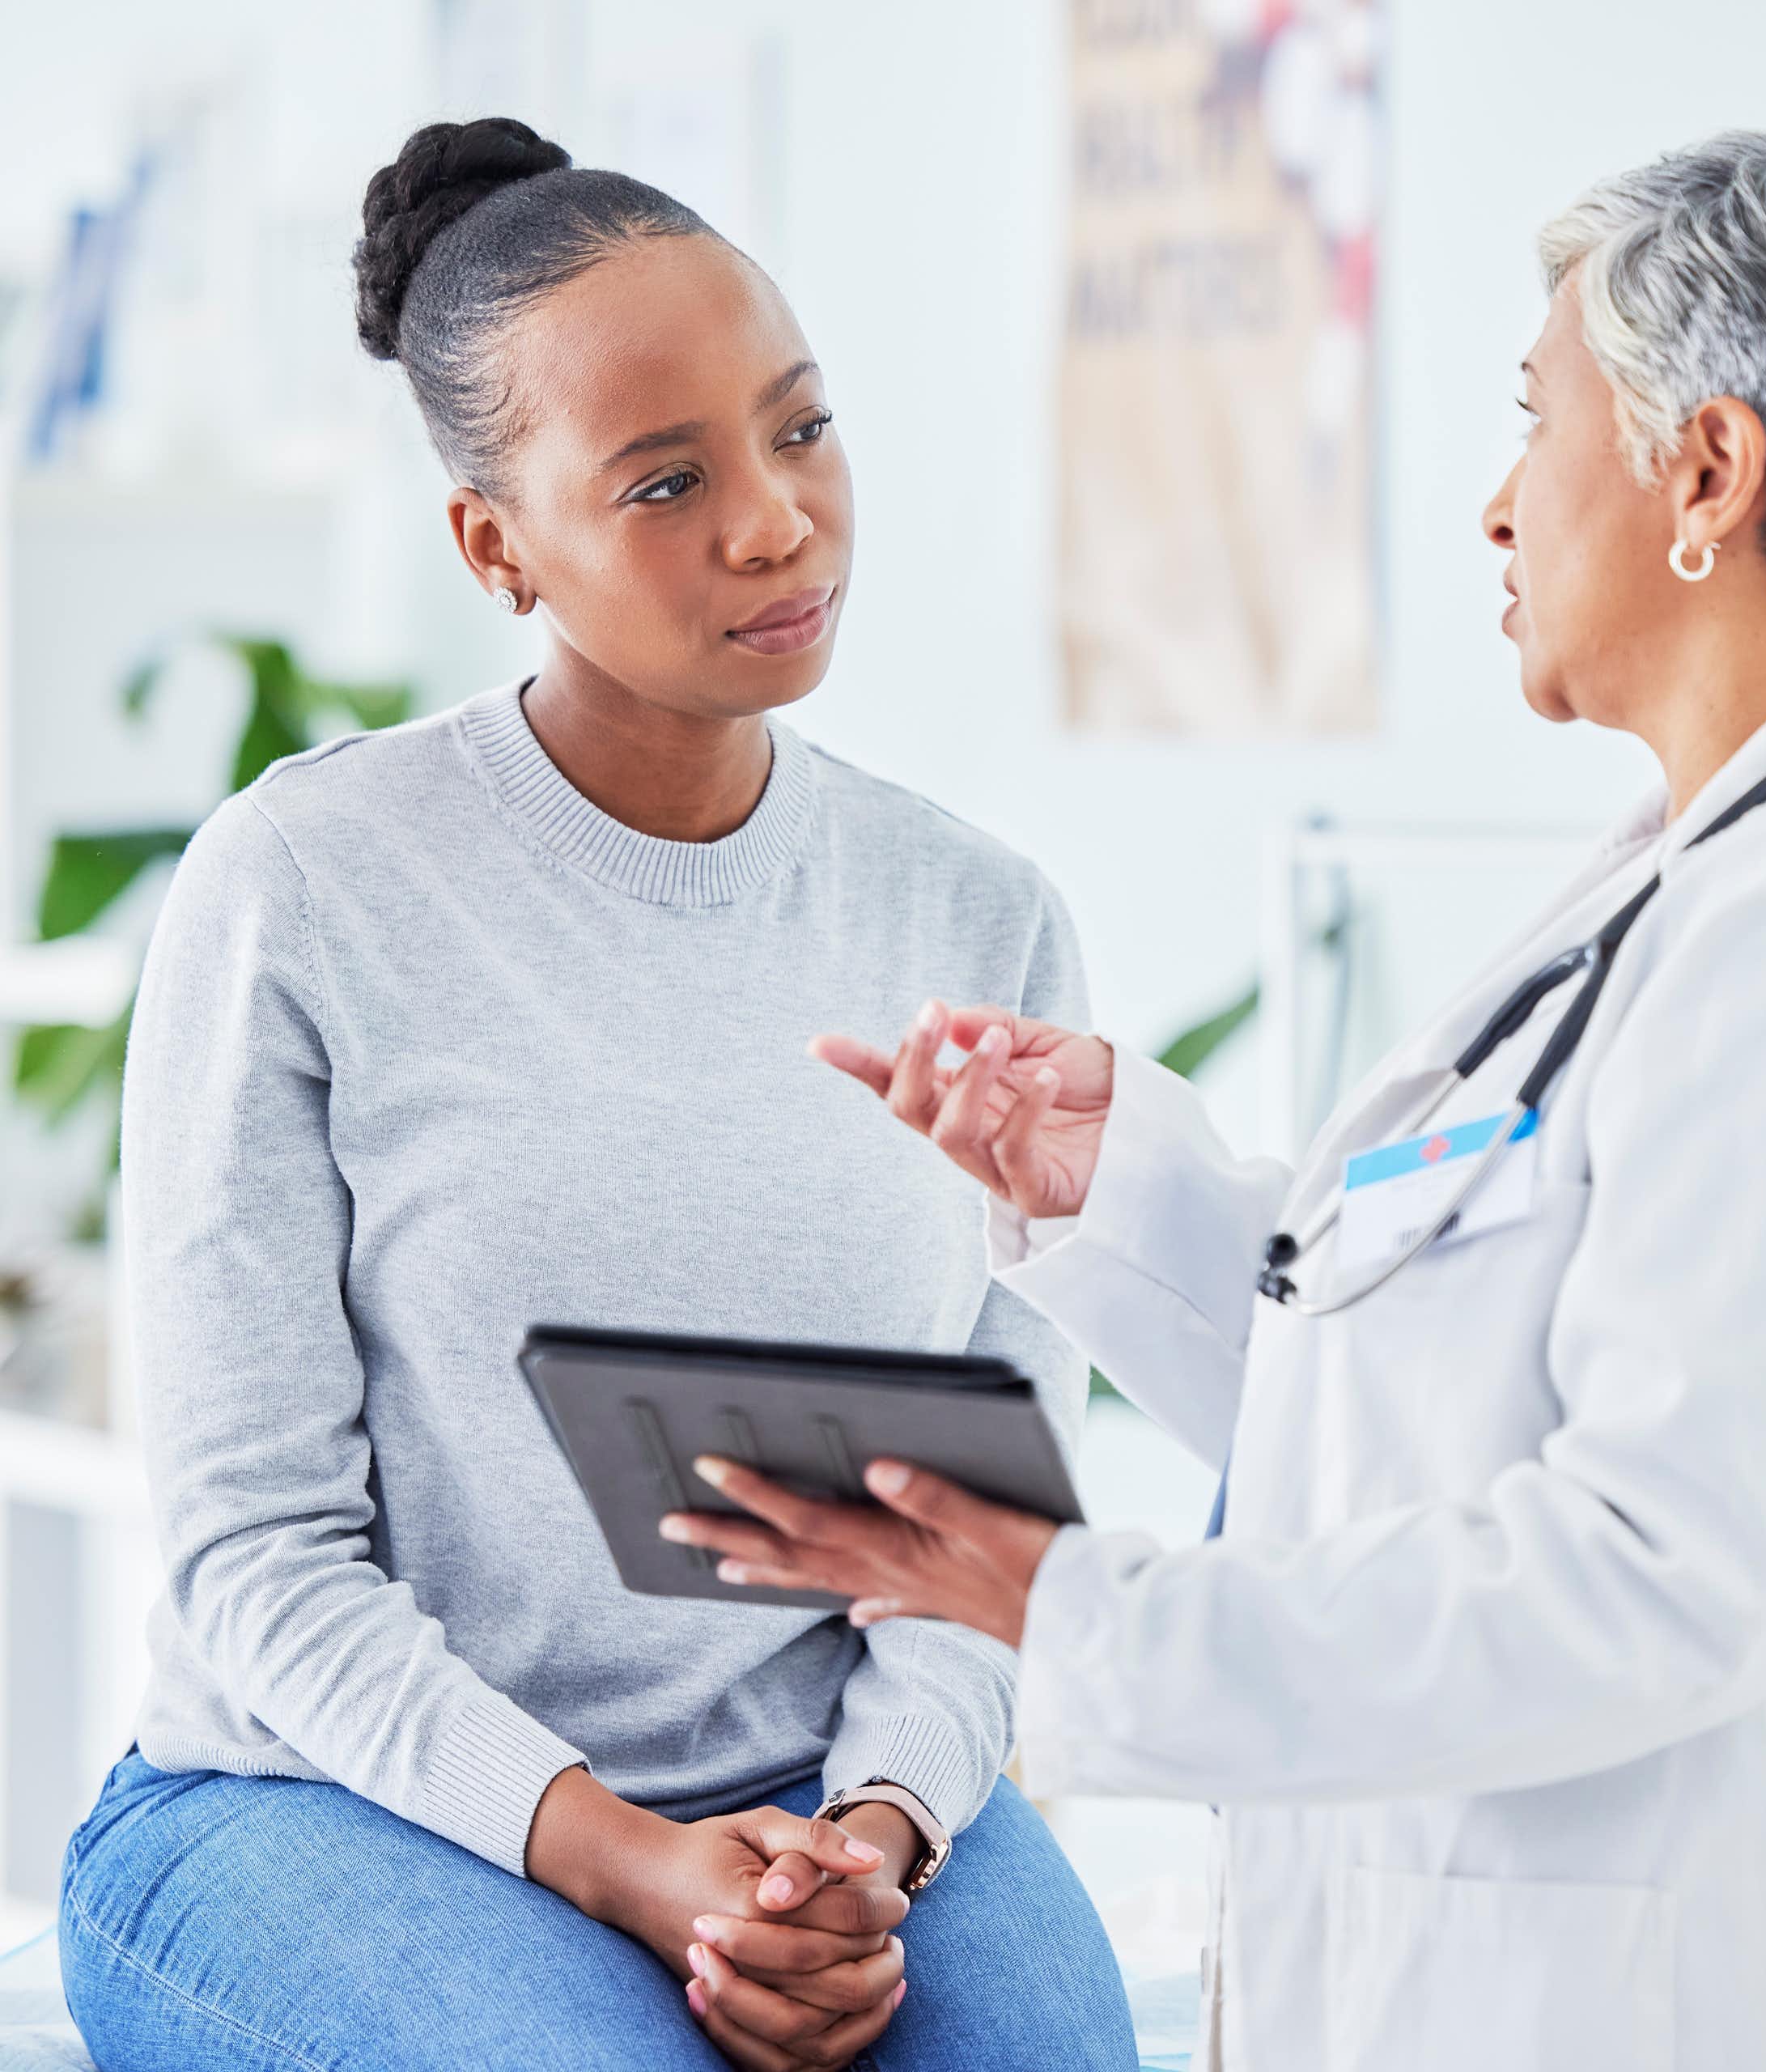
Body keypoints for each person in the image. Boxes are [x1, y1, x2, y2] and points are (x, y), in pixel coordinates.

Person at [663, 129, 1766, 2070]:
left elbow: (1662, 1575)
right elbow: (1432, 1411)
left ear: (1705, 473)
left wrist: (1077, 1607)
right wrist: (1119, 1194)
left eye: (1534, 419)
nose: (1497, 504)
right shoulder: (1695, 885)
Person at [58, 117, 1136, 2072]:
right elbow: (253, 1555)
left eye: (800, 430)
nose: (774, 521)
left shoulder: (979, 913)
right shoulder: (306, 883)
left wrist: (874, 1830)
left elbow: (980, 1519)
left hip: (832, 1792)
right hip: (321, 1803)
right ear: (496, 543)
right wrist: (631, 1858)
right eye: (666, 480)